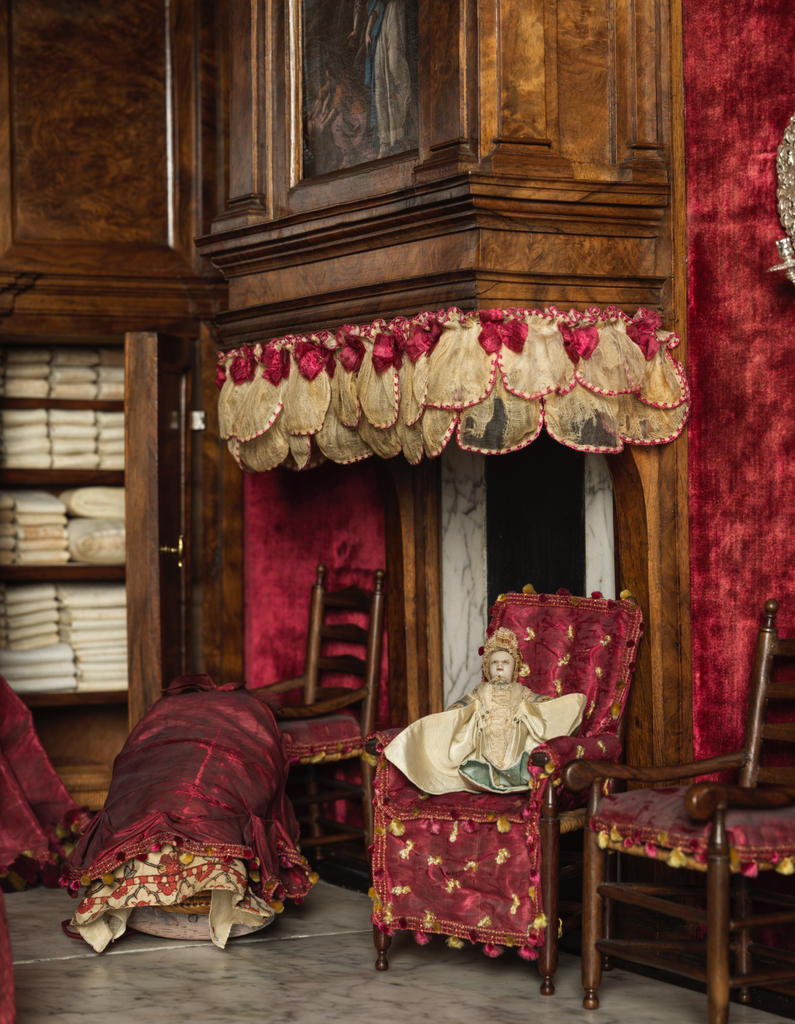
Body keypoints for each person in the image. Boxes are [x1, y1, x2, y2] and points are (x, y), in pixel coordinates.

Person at [384, 627, 586, 794]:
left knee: (514, 755)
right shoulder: (481, 690)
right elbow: (464, 704)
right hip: (486, 737)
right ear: (487, 669)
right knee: (482, 754)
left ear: (514, 669)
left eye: (505, 663)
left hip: (513, 738)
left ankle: (514, 775)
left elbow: (537, 701)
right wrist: (456, 710)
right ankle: (482, 775)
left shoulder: (520, 690)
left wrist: (547, 704)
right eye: (494, 663)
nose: (499, 667)